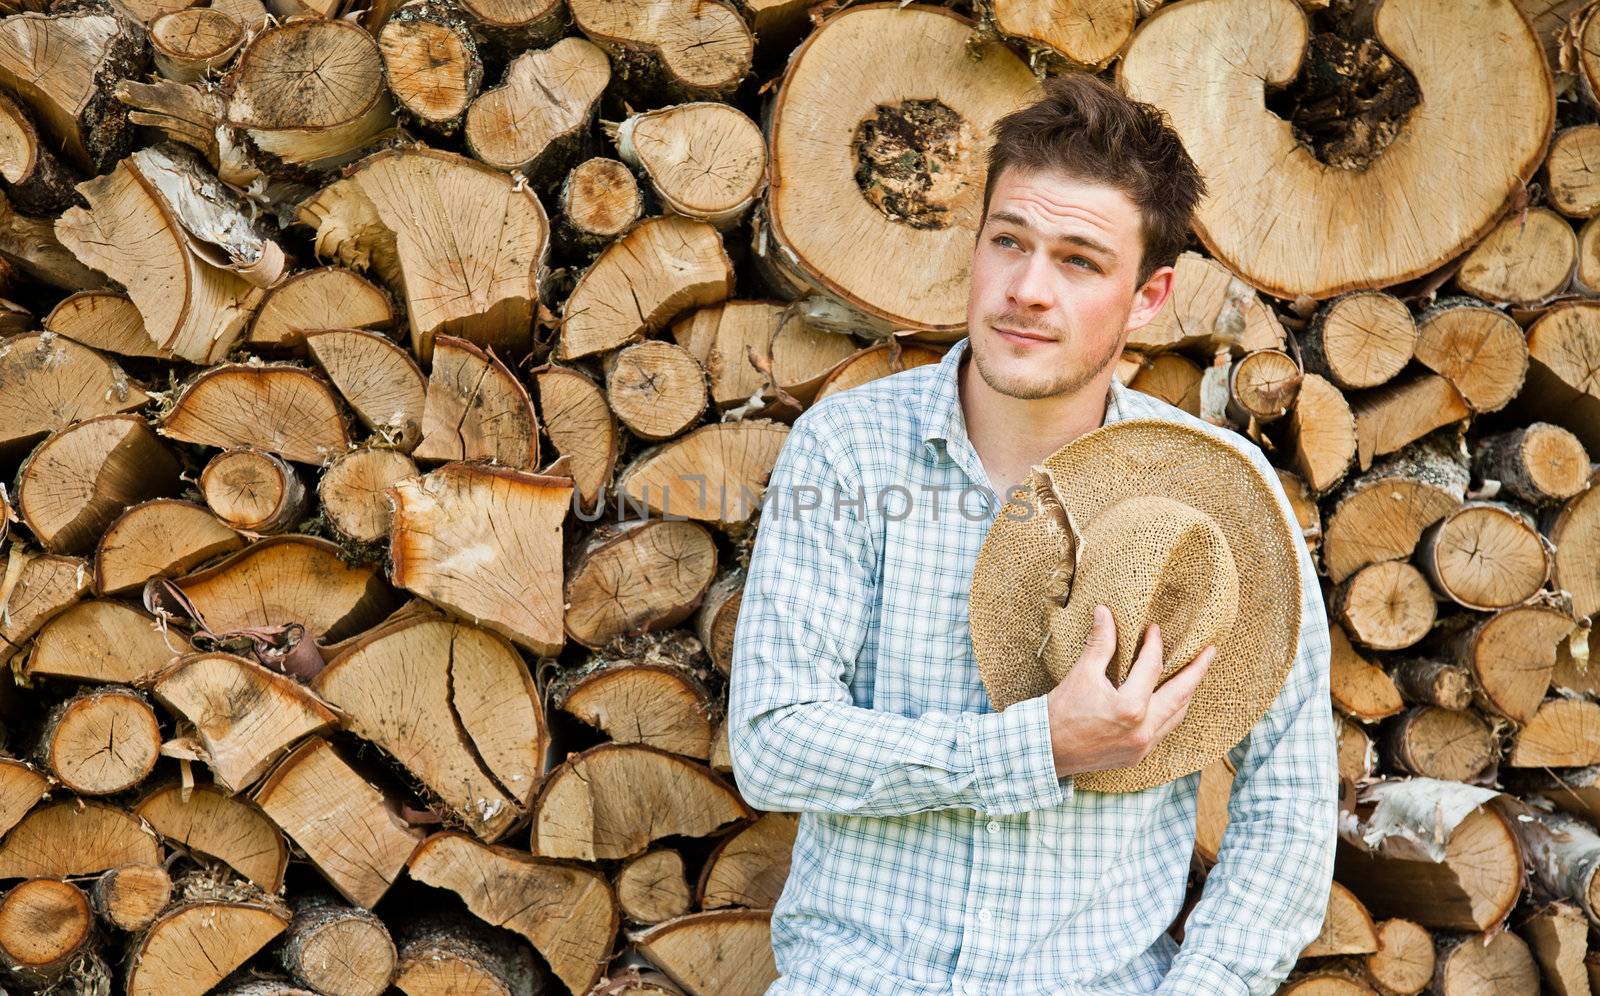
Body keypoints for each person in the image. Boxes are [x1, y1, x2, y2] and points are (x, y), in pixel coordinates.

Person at [727, 71, 1337, 995]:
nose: (1027, 289)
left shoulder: (1219, 496)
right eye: (1008, 242)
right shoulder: (849, 452)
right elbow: (775, 743)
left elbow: (1287, 802)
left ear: (1148, 297)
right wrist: (1038, 746)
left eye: (1080, 261)